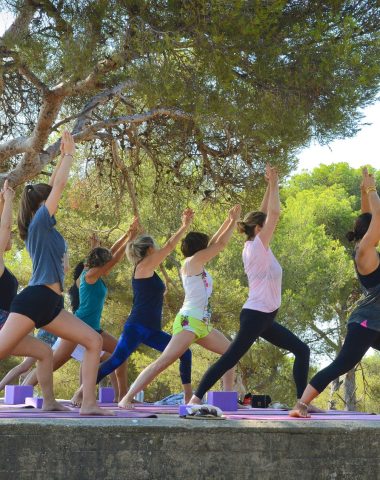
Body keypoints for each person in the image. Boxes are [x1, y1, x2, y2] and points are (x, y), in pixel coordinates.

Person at [1, 131, 110, 415]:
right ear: (41, 206)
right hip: (34, 300)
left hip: (52, 304)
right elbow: (58, 185)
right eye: (50, 201)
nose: (56, 203)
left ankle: (84, 403)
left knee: (90, 341)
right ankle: (70, 402)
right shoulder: (39, 222)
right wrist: (70, 155)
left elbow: (52, 186)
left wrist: (62, 156)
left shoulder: (46, 227)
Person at [189, 164, 311, 407]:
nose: (271, 229)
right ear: (259, 229)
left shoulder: (258, 244)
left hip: (265, 317)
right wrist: (275, 184)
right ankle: (195, 398)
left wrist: (269, 185)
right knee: (230, 357)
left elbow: (266, 212)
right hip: (256, 316)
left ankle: (302, 401)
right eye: (265, 227)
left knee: (302, 350)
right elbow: (273, 215)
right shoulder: (256, 247)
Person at [118, 206, 241, 408]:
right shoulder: (191, 263)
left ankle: (228, 399)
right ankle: (127, 398)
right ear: (200, 250)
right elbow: (219, 244)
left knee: (231, 353)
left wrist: (229, 221)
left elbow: (213, 243)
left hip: (202, 323)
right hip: (188, 321)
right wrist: (234, 221)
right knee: (164, 361)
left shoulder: (197, 263)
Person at [71, 209, 194, 406]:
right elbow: (170, 246)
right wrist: (184, 226)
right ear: (150, 250)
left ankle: (189, 398)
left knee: (185, 353)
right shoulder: (143, 266)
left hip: (152, 329)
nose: (159, 248)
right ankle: (80, 392)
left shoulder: (148, 270)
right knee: (115, 361)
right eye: (156, 246)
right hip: (136, 327)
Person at [290, 167, 380, 417]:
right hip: (365, 322)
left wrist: (363, 191)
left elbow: (369, 217)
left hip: (376, 322)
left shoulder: (366, 246)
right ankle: (301, 404)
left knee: (343, 362)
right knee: (342, 364)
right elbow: (377, 217)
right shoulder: (364, 252)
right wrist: (372, 189)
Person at [23, 219, 141, 402]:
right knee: (55, 361)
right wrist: (130, 237)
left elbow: (110, 255)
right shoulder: (90, 275)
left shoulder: (91, 272)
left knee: (121, 353)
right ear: (101, 264)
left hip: (93, 328)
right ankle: (25, 388)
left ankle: (123, 395)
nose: (109, 266)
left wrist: (127, 234)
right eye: (106, 263)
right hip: (78, 326)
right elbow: (115, 258)